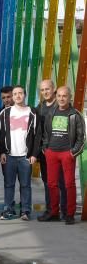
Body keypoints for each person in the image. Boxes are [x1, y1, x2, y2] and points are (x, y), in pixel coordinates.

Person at [38, 86, 85, 225]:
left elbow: (81, 137)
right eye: (59, 96)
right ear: (56, 96)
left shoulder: (75, 114)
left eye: (64, 96)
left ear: (69, 97)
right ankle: (54, 213)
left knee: (69, 184)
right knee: (52, 184)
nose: (61, 98)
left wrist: (73, 152)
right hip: (51, 152)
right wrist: (46, 149)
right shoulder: (51, 112)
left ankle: (69, 214)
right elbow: (46, 133)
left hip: (67, 153)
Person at [0, 86, 40, 221]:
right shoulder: (4, 113)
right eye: (15, 94)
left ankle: (25, 211)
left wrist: (33, 154)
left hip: (25, 156)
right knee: (9, 184)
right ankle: (8, 210)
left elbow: (36, 136)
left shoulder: (32, 112)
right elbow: (1, 135)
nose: (17, 96)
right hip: (9, 156)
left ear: (25, 95)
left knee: (25, 185)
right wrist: (2, 152)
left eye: (20, 93)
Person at [36, 79, 67, 220]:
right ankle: (51, 211)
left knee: (61, 182)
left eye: (47, 89)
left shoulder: (61, 106)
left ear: (53, 89)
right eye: (42, 90)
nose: (45, 92)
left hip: (59, 150)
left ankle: (65, 212)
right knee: (48, 182)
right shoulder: (40, 107)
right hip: (45, 152)